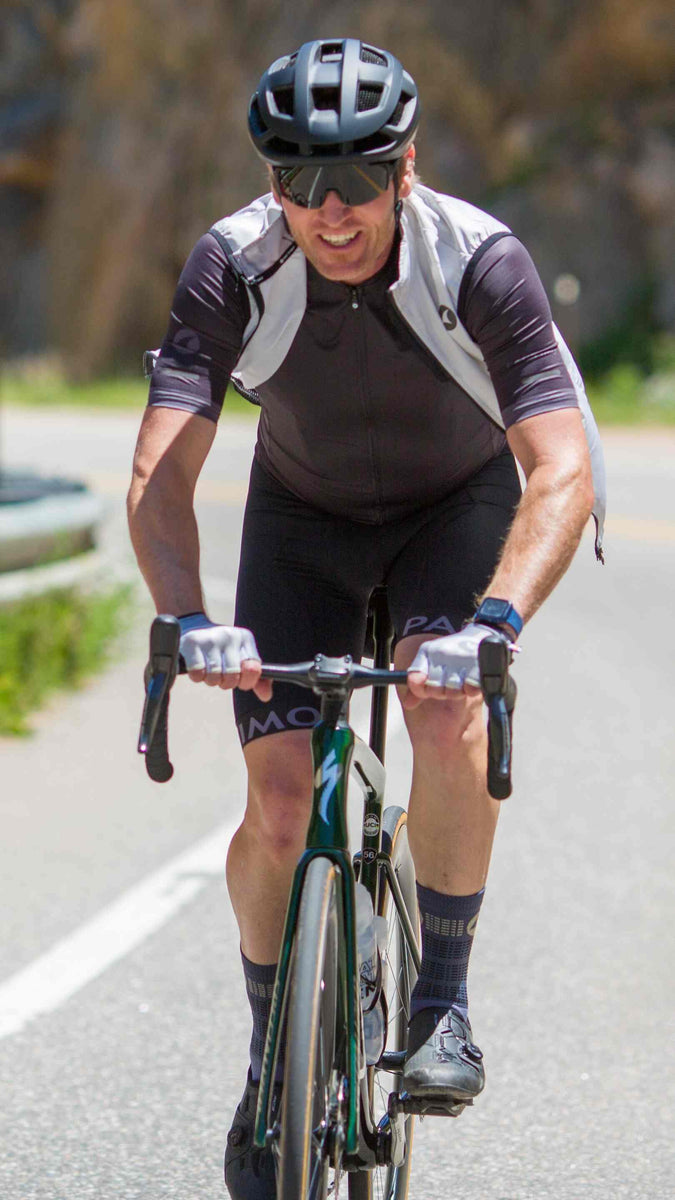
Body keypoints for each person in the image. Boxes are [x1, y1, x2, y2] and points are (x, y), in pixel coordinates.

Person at [127, 37, 605, 1199]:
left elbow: (560, 467)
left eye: (355, 178)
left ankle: (441, 1002)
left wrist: (493, 623)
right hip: (303, 518)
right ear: (270, 184)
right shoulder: (234, 266)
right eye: (298, 181)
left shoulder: (479, 260)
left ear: (405, 169)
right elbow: (160, 475)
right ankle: (267, 1059)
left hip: (457, 506)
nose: (328, 209)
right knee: (281, 808)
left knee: (447, 720)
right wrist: (190, 621)